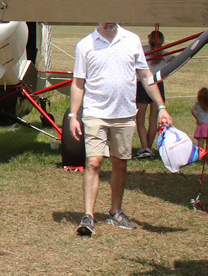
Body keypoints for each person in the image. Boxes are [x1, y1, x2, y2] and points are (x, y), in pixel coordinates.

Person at [69, 22, 172, 236]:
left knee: (119, 163)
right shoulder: (85, 45)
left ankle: (115, 212)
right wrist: (73, 115)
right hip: (95, 112)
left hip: (124, 114)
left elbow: (145, 76)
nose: (109, 20)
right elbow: (78, 82)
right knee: (93, 161)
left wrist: (161, 107)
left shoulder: (131, 40)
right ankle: (88, 216)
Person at [134, 29, 167, 159]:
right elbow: (175, 60)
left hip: (143, 83)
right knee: (153, 118)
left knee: (140, 119)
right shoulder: (166, 52)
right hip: (158, 84)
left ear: (149, 39)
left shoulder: (143, 49)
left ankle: (145, 147)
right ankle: (149, 147)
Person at [191, 86, 208, 162]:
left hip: (201, 124)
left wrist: (197, 118)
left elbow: (192, 110)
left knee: (201, 141)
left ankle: (200, 155)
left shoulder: (197, 104)